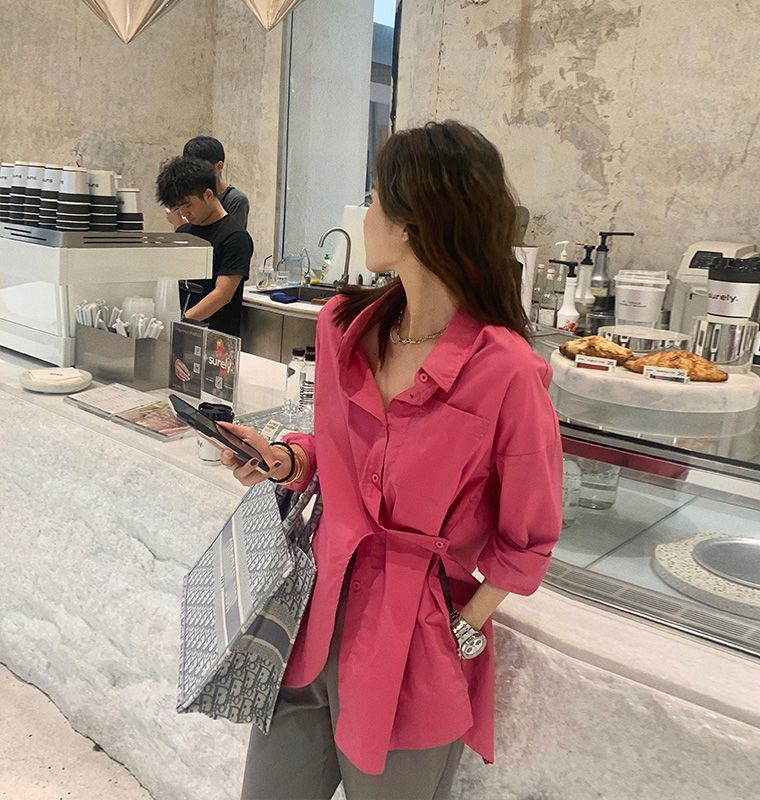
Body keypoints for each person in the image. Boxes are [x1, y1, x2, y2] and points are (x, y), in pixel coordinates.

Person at [218, 121, 563, 800]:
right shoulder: (344, 327)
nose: (366, 214)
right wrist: (284, 460)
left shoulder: (507, 372)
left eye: (375, 199)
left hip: (413, 648)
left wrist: (461, 628)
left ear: (412, 225)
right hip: (307, 612)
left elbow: (529, 538)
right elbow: (333, 453)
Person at [156, 157, 253, 337]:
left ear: (208, 195)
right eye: (178, 208)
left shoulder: (235, 238)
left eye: (188, 205)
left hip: (216, 341)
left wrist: (181, 323)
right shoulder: (184, 232)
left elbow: (222, 295)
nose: (184, 213)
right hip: (180, 333)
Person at [165, 135, 249, 230]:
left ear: (219, 166)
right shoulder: (189, 195)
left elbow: (232, 237)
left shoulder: (235, 200)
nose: (195, 174)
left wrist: (180, 225)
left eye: (201, 169)